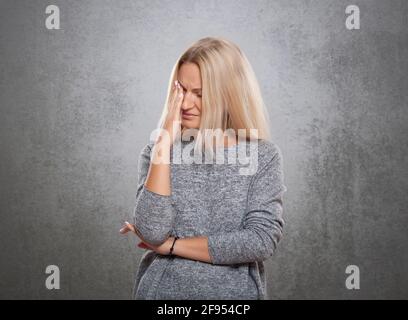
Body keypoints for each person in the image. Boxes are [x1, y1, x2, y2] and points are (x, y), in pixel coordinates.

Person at [120, 36, 287, 300]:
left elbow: (260, 240)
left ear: (228, 94)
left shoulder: (262, 156)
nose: (185, 104)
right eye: (181, 90)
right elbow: (151, 230)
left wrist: (171, 246)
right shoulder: (158, 152)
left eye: (198, 93)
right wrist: (164, 143)